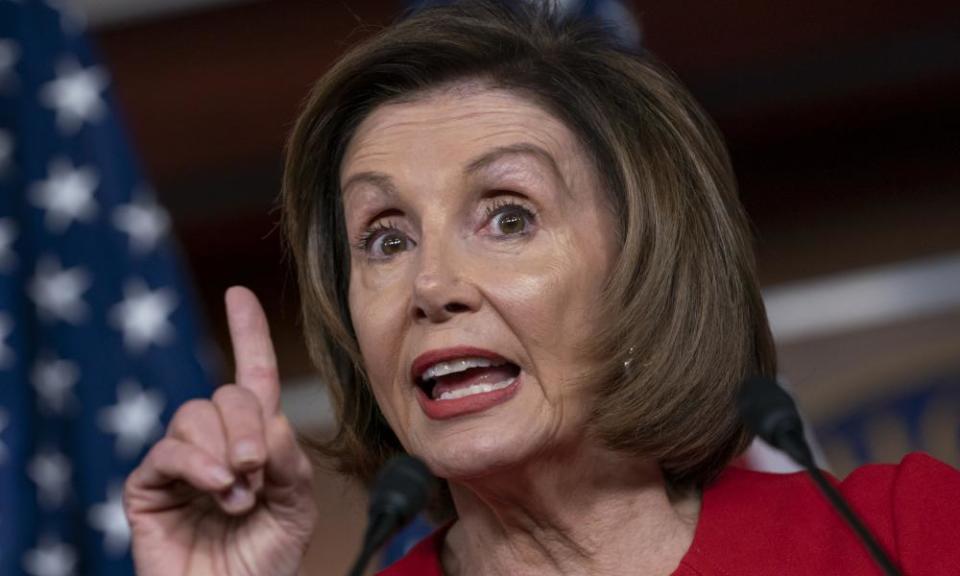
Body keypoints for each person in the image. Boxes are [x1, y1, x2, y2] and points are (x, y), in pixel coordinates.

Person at [123, 2, 960, 575]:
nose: (432, 285)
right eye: (385, 238)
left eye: (508, 217)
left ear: (645, 265)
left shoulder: (905, 537)